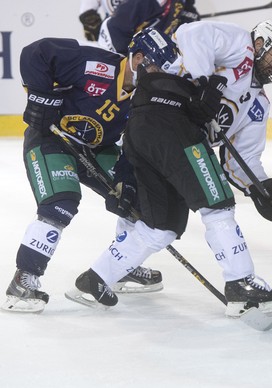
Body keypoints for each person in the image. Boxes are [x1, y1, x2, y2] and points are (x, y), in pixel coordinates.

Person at [66, 19, 272, 318]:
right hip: (166, 117)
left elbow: (243, 158)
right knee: (218, 203)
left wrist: (262, 188)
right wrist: (202, 84)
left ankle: (94, 280)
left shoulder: (259, 105)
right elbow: (192, 33)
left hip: (160, 132)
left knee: (162, 225)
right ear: (261, 42)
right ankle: (241, 284)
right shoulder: (241, 45)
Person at [1, 28, 179, 313]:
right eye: (155, 68)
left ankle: (122, 265)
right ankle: (24, 280)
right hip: (52, 138)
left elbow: (134, 145)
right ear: (138, 58)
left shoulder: (146, 97)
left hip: (99, 148)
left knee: (139, 198)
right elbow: (36, 53)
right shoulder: (97, 65)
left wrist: (126, 180)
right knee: (61, 205)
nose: (159, 77)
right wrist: (40, 98)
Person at [97, 0, 201, 55]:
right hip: (114, 50)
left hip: (146, 53)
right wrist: (131, 58)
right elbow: (113, 28)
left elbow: (186, 12)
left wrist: (191, 18)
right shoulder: (142, 3)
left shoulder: (182, 3)